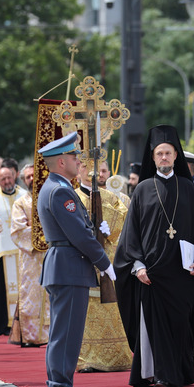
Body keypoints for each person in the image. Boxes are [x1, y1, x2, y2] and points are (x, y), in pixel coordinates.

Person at [113, 125, 194, 387]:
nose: (163, 158)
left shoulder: (188, 190)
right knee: (155, 328)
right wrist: (137, 266)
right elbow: (131, 236)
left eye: (168, 153)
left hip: (183, 273)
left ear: (176, 156)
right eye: (159, 154)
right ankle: (160, 374)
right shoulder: (142, 190)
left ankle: (182, 373)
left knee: (181, 327)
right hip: (151, 275)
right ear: (152, 158)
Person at [36, 132, 113, 387]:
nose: (79, 161)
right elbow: (80, 234)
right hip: (69, 266)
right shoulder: (60, 191)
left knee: (65, 335)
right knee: (65, 336)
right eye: (73, 157)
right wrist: (104, 262)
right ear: (60, 162)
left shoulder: (58, 187)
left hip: (67, 266)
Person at [75, 158, 133, 373]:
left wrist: (111, 229)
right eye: (87, 168)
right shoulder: (73, 196)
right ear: (79, 170)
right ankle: (86, 359)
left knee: (111, 306)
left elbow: (126, 225)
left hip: (108, 260)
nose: (94, 173)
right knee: (86, 309)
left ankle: (117, 356)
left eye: (99, 169)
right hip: (83, 259)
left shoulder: (110, 197)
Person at [0, 166, 28, 335]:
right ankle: (3, 324)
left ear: (15, 176)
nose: (7, 181)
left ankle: (23, 323)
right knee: (3, 289)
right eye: (3, 179)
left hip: (23, 249)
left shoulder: (24, 195)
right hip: (2, 249)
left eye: (9, 177)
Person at [9, 178, 49, 347]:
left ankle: (51, 334)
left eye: (34, 174)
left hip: (53, 252)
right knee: (30, 292)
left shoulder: (50, 197)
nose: (31, 179)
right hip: (31, 256)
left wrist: (34, 225)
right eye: (27, 177)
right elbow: (18, 230)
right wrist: (44, 228)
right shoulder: (20, 203)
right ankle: (31, 336)